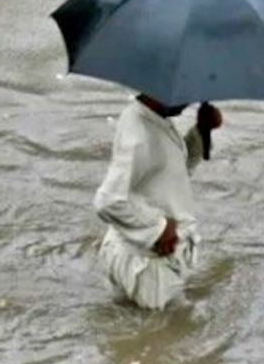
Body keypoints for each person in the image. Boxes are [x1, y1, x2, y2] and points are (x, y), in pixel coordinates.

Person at [93, 95, 223, 310]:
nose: (188, 99)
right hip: (148, 267)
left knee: (132, 331)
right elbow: (107, 201)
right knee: (174, 336)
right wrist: (159, 228)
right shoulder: (141, 136)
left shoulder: (147, 118)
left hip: (130, 252)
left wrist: (201, 131)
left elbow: (169, 170)